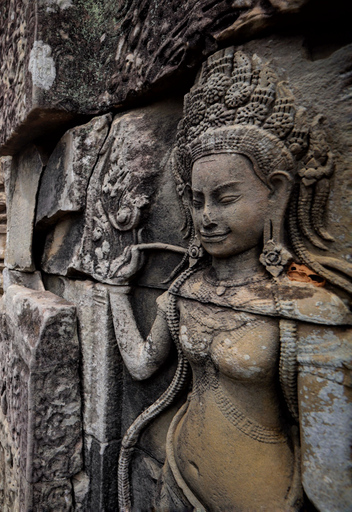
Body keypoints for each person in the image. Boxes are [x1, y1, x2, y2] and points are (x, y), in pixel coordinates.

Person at [109, 49, 352, 510]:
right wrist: (117, 293)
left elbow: (332, 483)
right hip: (176, 474)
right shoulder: (188, 288)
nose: (207, 217)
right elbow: (142, 365)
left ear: (276, 193)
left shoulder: (310, 310)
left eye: (225, 198)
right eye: (198, 201)